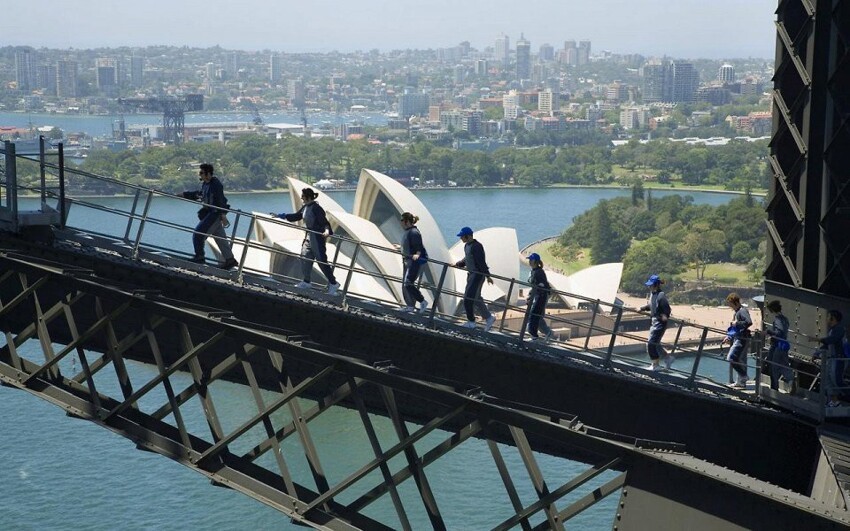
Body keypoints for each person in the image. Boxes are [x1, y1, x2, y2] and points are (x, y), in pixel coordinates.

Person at [273, 188, 340, 295]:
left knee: (321, 261)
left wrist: (327, 231)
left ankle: (333, 283)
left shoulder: (317, 208)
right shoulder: (306, 207)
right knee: (304, 257)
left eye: (303, 196)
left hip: (317, 237)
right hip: (308, 236)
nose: (301, 198)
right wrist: (282, 215)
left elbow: (325, 222)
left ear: (308, 196)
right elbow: (297, 216)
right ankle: (306, 281)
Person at [182, 163, 238, 269]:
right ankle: (230, 260)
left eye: (202, 173)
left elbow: (221, 200)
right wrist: (185, 194)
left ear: (208, 174)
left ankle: (200, 256)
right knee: (220, 238)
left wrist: (223, 215)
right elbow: (200, 195)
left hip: (215, 214)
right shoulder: (205, 184)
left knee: (198, 234)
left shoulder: (216, 184)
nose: (200, 175)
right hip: (210, 214)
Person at [454, 227, 496, 331]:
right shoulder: (467, 246)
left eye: (462, 236)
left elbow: (481, 262)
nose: (461, 238)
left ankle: (471, 321)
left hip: (477, 275)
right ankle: (489, 318)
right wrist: (459, 264)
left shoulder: (477, 246)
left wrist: (487, 276)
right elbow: (467, 258)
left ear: (467, 236)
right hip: (471, 274)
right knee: (476, 298)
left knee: (468, 298)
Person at [639, 274, 673, 371]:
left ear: (655, 285)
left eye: (650, 285)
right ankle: (668, 358)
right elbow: (651, 305)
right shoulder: (653, 294)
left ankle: (655, 365)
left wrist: (664, 316)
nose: (648, 286)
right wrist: (642, 308)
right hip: (654, 321)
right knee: (655, 344)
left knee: (651, 343)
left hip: (659, 322)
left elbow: (667, 309)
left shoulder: (661, 295)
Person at [721, 292, 752, 388]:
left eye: (730, 304)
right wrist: (729, 336)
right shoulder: (737, 312)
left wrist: (737, 323)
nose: (730, 307)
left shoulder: (742, 311)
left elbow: (749, 322)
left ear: (735, 302)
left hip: (741, 338)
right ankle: (740, 382)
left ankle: (743, 376)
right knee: (739, 359)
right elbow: (735, 328)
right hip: (737, 337)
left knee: (731, 358)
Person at [399, 212, 429, 313]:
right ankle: (410, 306)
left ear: (407, 221)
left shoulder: (414, 232)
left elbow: (418, 246)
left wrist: (418, 254)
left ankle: (422, 301)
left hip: (415, 261)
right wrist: (400, 248)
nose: (401, 223)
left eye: (402, 221)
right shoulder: (408, 231)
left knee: (408, 283)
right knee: (406, 284)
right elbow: (409, 246)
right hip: (409, 260)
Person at [816, 309, 847, 407]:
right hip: (832, 358)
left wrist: (818, 339)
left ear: (833, 318)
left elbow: (831, 340)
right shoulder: (832, 330)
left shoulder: (839, 329)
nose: (827, 319)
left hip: (838, 358)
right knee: (828, 380)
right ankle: (834, 401)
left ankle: (844, 396)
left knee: (836, 380)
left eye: (828, 317)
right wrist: (817, 353)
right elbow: (827, 344)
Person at [764, 300, 793, 391]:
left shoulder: (777, 320)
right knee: (784, 365)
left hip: (777, 345)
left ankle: (774, 388)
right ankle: (791, 380)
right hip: (783, 345)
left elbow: (779, 332)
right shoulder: (785, 319)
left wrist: (768, 332)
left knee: (774, 367)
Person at [525, 253, 552, 341]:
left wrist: (534, 296)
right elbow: (535, 286)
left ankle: (534, 335)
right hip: (538, 296)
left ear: (535, 261)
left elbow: (541, 286)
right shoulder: (534, 271)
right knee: (537, 316)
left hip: (540, 297)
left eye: (531, 260)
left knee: (533, 315)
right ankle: (547, 332)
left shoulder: (539, 272)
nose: (529, 261)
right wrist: (530, 296)